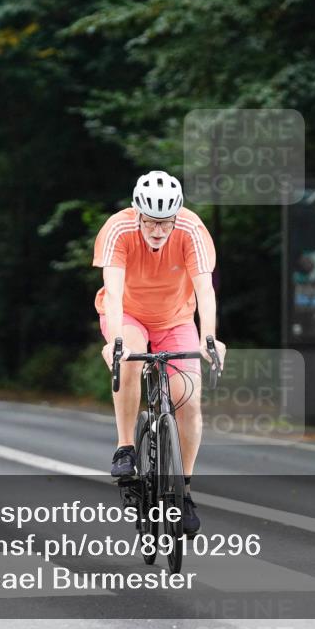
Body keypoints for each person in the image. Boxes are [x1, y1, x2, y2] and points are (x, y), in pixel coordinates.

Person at [93, 170, 226, 536]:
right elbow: (114, 294)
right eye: (150, 223)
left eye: (164, 223)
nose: (157, 231)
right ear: (137, 214)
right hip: (130, 314)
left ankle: (183, 491)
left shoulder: (192, 231)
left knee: (189, 397)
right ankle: (125, 448)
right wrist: (116, 341)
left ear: (176, 217)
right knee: (130, 355)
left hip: (175, 318)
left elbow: (205, 291)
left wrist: (210, 337)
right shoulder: (118, 230)